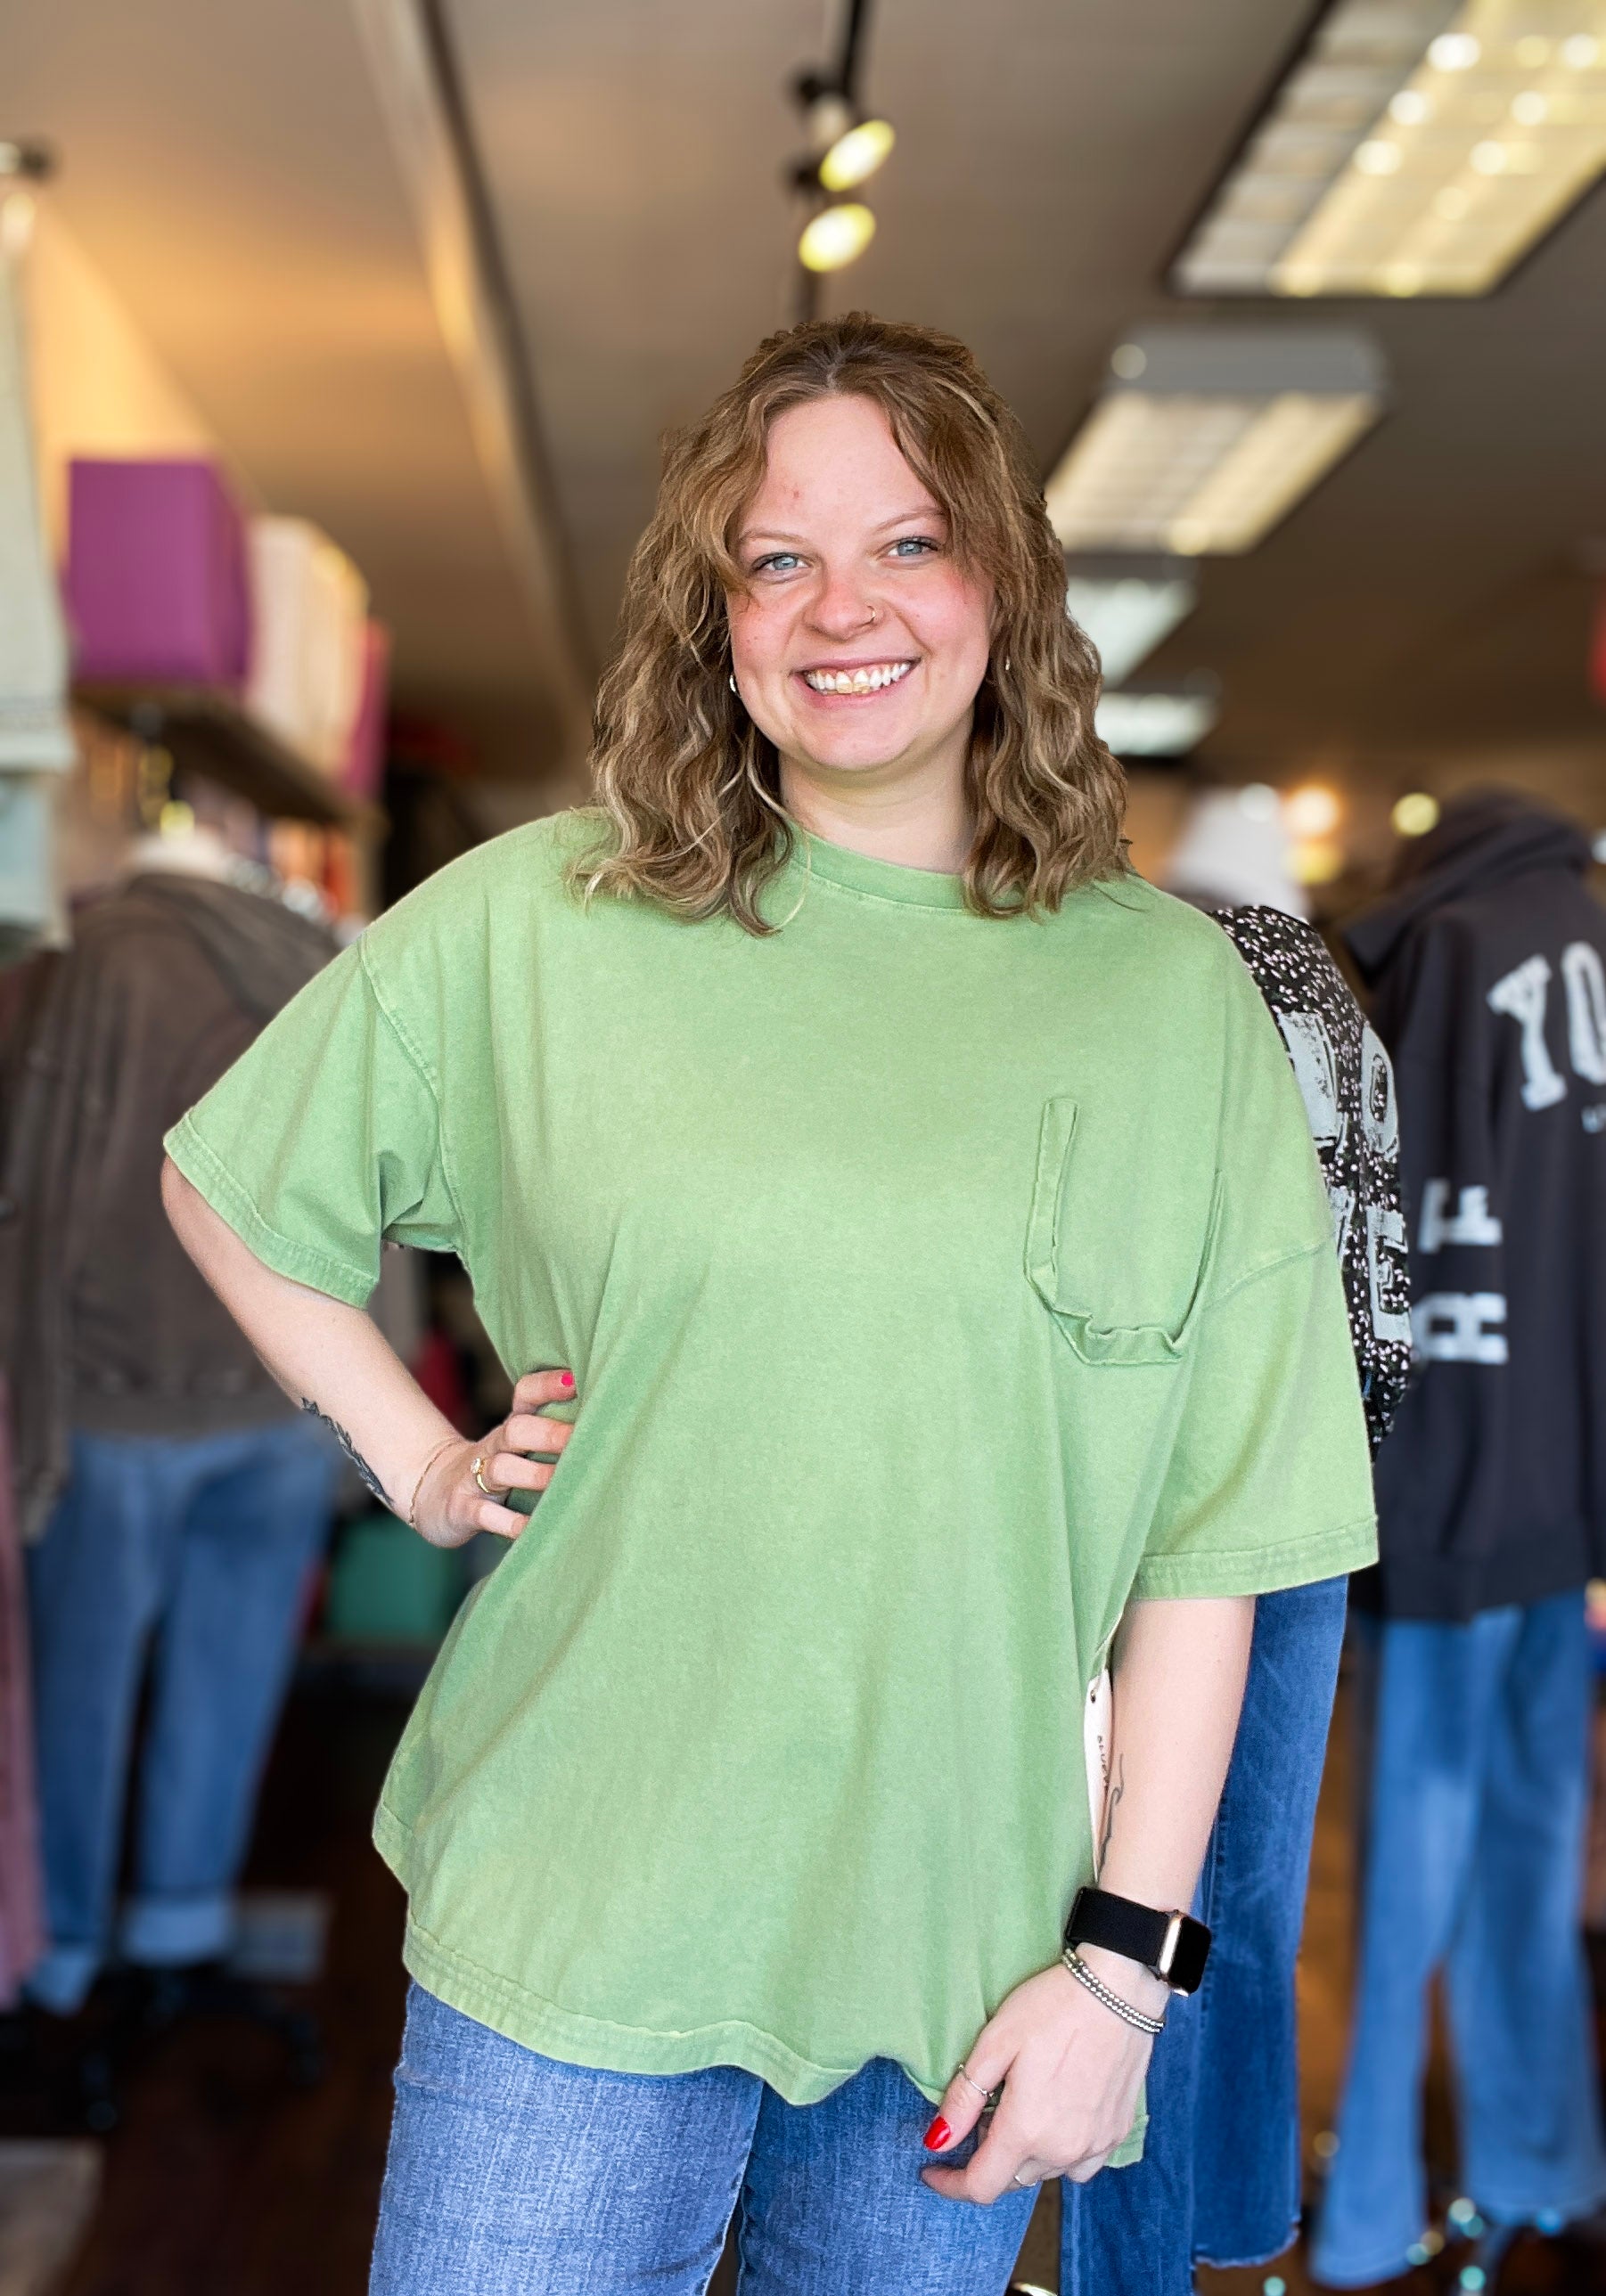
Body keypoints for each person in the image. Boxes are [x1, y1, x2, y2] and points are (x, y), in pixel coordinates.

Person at [162, 315, 1376, 2296]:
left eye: (908, 543)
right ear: (714, 618)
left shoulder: (1170, 1005)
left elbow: (1211, 1543)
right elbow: (225, 1182)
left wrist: (1122, 1974)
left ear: (1003, 587)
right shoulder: (547, 916)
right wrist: (415, 1454)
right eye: (777, 557)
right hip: (576, 1899)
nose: (841, 607)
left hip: (963, 1956)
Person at [1062, 885, 1411, 2295]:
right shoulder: (1330, 1001)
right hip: (1315, 1485)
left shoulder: (1146, 977)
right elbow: (1384, 1289)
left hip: (1173, 1495)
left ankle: (1134, 2262)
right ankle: (1232, 2218)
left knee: (1140, 1906)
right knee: (1245, 1898)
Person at [1312, 792, 1606, 2287]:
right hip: (1565, 1498)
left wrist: (1388, 1479)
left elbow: (1410, 1235)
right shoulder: (1587, 940)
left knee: (1404, 1879)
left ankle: (1371, 2209)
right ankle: (1537, 2161)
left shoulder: (1444, 944)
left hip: (1446, 1493)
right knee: (1534, 1850)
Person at [0, 848, 339, 2015]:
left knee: (78, 1690)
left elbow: (41, 1180)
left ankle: (62, 1952)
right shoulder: (312, 955)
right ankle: (180, 1926)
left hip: (123, 1393)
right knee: (227, 1682)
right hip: (291, 1385)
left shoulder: (99, 955)